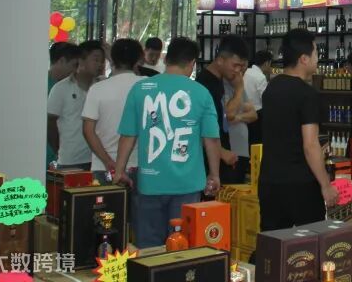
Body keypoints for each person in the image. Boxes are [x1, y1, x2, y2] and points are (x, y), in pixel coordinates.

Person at [113, 36, 220, 248]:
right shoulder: (201, 93)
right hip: (188, 185)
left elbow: (128, 135)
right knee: (183, 246)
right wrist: (214, 174)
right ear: (192, 63)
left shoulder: (141, 89)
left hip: (150, 183)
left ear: (167, 59)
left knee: (149, 249)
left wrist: (119, 170)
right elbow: (211, 139)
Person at [258, 29, 338, 231]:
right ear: (304, 59)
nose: (318, 58)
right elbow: (310, 145)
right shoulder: (306, 94)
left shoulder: (271, 88)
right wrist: (325, 185)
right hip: (300, 183)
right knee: (311, 242)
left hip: (269, 181)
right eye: (316, 53)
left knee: (274, 241)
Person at [83, 38, 143, 182]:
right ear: (138, 61)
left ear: (111, 59)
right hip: (140, 165)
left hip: (103, 167)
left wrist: (108, 161)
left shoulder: (97, 89)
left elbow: (88, 131)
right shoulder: (147, 86)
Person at [196, 35, 249, 183]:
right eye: (235, 65)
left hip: (222, 154)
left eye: (241, 66)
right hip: (210, 160)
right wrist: (221, 151)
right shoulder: (205, 83)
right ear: (220, 60)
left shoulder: (219, 79)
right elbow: (198, 125)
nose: (238, 71)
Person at [48, 40, 105, 169]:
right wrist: (58, 148)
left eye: (102, 61)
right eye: (96, 60)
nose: (100, 64)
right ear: (81, 61)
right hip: (70, 160)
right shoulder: (61, 88)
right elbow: (50, 122)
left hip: (98, 159)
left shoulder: (102, 86)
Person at [48, 42, 81, 167]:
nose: (76, 70)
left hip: (71, 157)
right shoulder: (40, 85)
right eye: (74, 65)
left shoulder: (76, 86)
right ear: (61, 61)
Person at [245, 49, 273, 146]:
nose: (270, 67)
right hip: (257, 116)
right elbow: (266, 99)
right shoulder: (260, 77)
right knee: (256, 144)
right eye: (270, 64)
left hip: (243, 113)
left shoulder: (246, 71)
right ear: (266, 63)